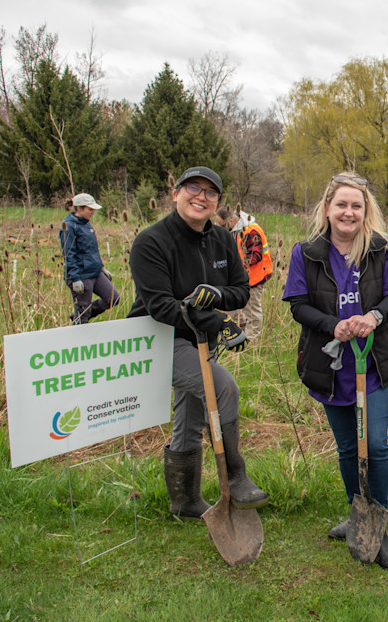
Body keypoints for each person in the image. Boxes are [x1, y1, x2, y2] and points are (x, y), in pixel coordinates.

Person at [282, 171, 388, 570]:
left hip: (371, 361)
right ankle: (357, 514)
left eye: (356, 205)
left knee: (373, 445)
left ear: (365, 210)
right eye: (341, 204)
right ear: (327, 208)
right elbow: (298, 304)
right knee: (346, 448)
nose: (348, 212)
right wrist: (331, 324)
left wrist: (373, 316)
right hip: (330, 364)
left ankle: (378, 522)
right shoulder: (306, 252)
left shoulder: (381, 248)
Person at [128, 166, 268, 520]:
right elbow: (160, 307)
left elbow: (240, 291)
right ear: (175, 194)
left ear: (217, 202)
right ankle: (236, 475)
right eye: (193, 187)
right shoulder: (151, 241)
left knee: (190, 415)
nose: (200, 196)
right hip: (157, 338)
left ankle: (186, 502)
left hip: (196, 339)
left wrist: (217, 294)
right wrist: (217, 320)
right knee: (223, 388)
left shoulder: (222, 239)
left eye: (210, 192)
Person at [59, 193, 120, 324]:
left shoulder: (86, 224)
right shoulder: (69, 226)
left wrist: (101, 267)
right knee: (83, 312)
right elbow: (69, 254)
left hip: (95, 272)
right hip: (81, 275)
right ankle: (79, 324)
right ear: (79, 208)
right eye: (90, 209)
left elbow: (92, 249)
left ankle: (80, 315)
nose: (93, 212)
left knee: (113, 298)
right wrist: (75, 279)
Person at [215, 208, 273, 341]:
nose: (222, 228)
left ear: (231, 220)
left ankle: (252, 340)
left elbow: (255, 255)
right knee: (236, 305)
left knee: (252, 310)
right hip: (243, 277)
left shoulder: (251, 231)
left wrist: (237, 267)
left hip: (256, 276)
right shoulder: (237, 230)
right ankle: (241, 330)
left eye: (223, 225)